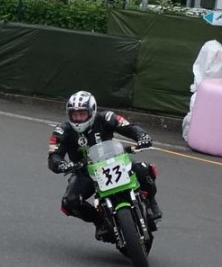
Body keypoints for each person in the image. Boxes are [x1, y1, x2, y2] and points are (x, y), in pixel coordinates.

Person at [47, 90, 162, 240]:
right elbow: (53, 156)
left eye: (82, 114)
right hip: (85, 172)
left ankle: (151, 201)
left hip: (114, 162)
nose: (78, 118)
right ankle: (100, 221)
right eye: (74, 114)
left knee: (144, 169)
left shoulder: (106, 117)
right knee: (70, 201)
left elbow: (128, 126)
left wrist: (142, 136)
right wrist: (61, 164)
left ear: (92, 111)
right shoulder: (62, 130)